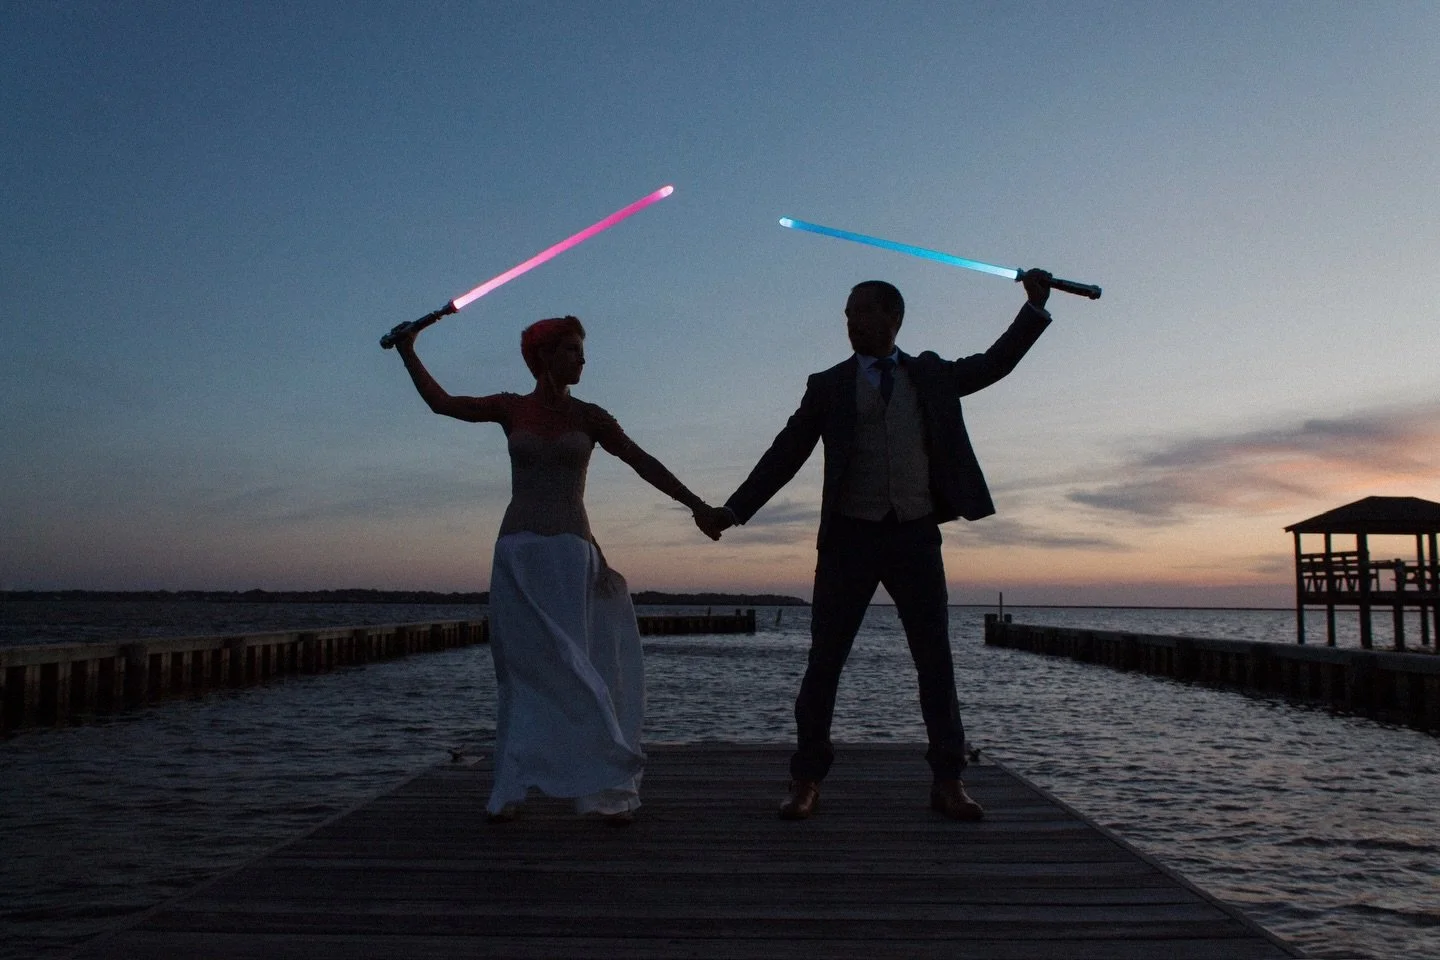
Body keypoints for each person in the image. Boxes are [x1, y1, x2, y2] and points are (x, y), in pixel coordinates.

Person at [695, 271, 1055, 820]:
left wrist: (1033, 309)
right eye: (846, 313)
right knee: (824, 662)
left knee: (935, 661)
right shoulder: (829, 384)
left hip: (914, 534)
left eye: (859, 311)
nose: (849, 322)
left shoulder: (929, 375)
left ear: (893, 318)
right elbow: (786, 452)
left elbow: (993, 364)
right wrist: (735, 509)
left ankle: (948, 781)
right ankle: (806, 778)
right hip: (848, 537)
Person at [392, 315, 717, 824]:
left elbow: (642, 461)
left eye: (582, 352)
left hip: (570, 554)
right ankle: (510, 786)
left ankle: (602, 787)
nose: (581, 360)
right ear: (544, 357)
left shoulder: (592, 417)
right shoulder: (510, 408)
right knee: (519, 672)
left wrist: (696, 504)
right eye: (571, 351)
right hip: (517, 553)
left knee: (579, 666)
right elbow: (442, 403)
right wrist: (409, 350)